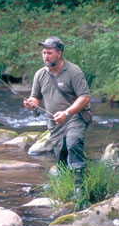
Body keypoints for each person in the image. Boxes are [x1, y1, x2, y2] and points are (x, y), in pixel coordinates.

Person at [24, 36, 91, 180]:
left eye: (49, 53)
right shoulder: (40, 74)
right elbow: (35, 97)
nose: (46, 56)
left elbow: (85, 97)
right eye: (44, 53)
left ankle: (80, 187)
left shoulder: (74, 71)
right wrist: (31, 103)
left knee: (73, 143)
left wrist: (67, 113)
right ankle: (67, 189)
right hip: (55, 124)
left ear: (59, 54)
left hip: (75, 118)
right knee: (61, 160)